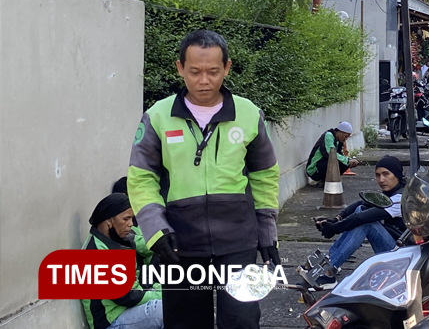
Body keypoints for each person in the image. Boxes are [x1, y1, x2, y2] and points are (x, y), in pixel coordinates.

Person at [128, 29, 280, 329]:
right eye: (195, 71)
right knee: (185, 323)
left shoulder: (248, 114)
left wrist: (268, 233)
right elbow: (141, 177)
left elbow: (264, 175)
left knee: (242, 322)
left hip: (238, 241)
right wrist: (155, 230)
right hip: (180, 244)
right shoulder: (158, 116)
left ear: (227, 67)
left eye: (213, 71)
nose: (204, 81)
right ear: (180, 68)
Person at [309, 156, 407, 288]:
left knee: (366, 223)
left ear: (397, 175)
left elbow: (361, 218)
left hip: (402, 256)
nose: (381, 180)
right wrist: (336, 219)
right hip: (394, 244)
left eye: (386, 174)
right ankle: (332, 258)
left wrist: (334, 228)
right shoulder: (392, 192)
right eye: (377, 175)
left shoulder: (400, 198)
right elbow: (361, 203)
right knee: (361, 209)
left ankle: (330, 272)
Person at [82, 193, 163, 329]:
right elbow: (125, 296)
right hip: (111, 322)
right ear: (109, 221)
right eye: (126, 219)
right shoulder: (95, 252)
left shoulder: (116, 241)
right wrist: (161, 294)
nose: (131, 224)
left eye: (131, 218)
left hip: (126, 311)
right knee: (166, 310)